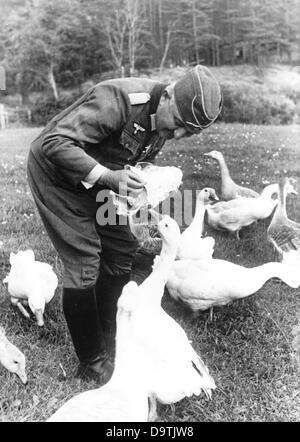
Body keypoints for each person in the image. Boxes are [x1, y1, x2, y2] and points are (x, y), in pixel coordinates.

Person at [27, 64, 222, 384]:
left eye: (188, 132)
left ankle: (112, 331)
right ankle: (92, 361)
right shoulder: (119, 99)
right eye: (178, 125)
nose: (177, 135)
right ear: (169, 94)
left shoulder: (163, 118)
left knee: (122, 245)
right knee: (85, 258)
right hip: (57, 178)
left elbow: (128, 159)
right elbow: (55, 143)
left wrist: (140, 183)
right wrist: (108, 176)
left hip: (105, 182)